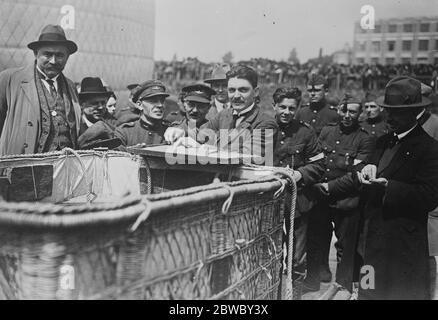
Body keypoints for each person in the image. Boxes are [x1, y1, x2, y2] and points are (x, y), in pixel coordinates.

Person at [353, 76, 438, 300]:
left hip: (403, 247)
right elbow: (364, 164)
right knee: (368, 292)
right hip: (371, 244)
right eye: (388, 110)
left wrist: (390, 187)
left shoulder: (429, 149)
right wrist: (364, 169)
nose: (389, 116)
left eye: (396, 112)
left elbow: (429, 196)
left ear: (414, 113)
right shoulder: (381, 141)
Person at [303, 93, 375, 297]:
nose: (347, 115)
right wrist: (319, 186)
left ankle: (344, 286)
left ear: (359, 114)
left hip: (347, 201)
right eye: (344, 110)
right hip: (321, 200)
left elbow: (358, 175)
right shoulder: (326, 132)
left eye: (353, 111)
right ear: (339, 110)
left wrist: (329, 187)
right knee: (316, 240)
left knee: (346, 247)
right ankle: (313, 281)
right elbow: (316, 160)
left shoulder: (365, 139)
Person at [165, 65, 278, 163]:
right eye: (232, 90)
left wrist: (206, 148)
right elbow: (199, 134)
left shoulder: (266, 123)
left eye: (243, 90)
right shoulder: (223, 115)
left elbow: (248, 156)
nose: (236, 96)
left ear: (256, 92)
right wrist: (179, 130)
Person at [272, 87, 325, 287]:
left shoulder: (306, 132)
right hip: (270, 203)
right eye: (282, 107)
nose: (286, 112)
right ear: (274, 106)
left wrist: (300, 173)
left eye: (291, 108)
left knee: (296, 257)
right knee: (270, 251)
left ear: (298, 108)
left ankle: (294, 292)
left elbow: (319, 164)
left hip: (298, 203)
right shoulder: (264, 129)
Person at [0, 24, 81, 155]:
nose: (53, 61)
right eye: (47, 54)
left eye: (60, 55)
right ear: (36, 53)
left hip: (65, 168)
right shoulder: (10, 80)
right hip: (24, 167)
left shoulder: (71, 86)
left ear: (67, 57)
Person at [114, 80, 170, 149]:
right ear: (139, 105)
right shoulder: (125, 133)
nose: (160, 105)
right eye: (153, 101)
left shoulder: (170, 132)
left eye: (162, 100)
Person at [76, 77, 121, 149]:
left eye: (103, 103)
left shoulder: (111, 128)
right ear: (81, 104)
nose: (100, 107)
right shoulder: (74, 129)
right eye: (95, 103)